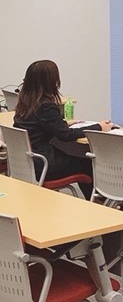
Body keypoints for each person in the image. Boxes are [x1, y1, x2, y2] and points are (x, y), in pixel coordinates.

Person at [13, 59, 114, 198]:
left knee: (79, 160)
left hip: (29, 163)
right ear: (50, 81)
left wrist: (62, 123)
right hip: (45, 164)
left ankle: (99, 202)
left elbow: (40, 125)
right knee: (88, 163)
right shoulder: (45, 106)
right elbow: (65, 136)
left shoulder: (25, 102)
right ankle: (100, 203)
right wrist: (99, 127)